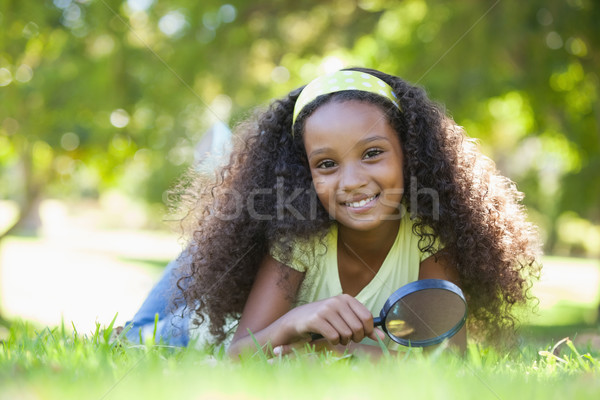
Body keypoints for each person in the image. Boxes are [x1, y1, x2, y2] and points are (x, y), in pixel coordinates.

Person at [125, 67, 541, 358]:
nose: (352, 181)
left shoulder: (428, 239)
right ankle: (217, 164)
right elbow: (238, 353)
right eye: (327, 164)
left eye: (373, 153)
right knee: (139, 336)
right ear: (305, 173)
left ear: (410, 155)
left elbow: (449, 360)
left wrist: (356, 356)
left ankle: (217, 162)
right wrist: (297, 321)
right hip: (198, 333)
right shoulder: (300, 241)